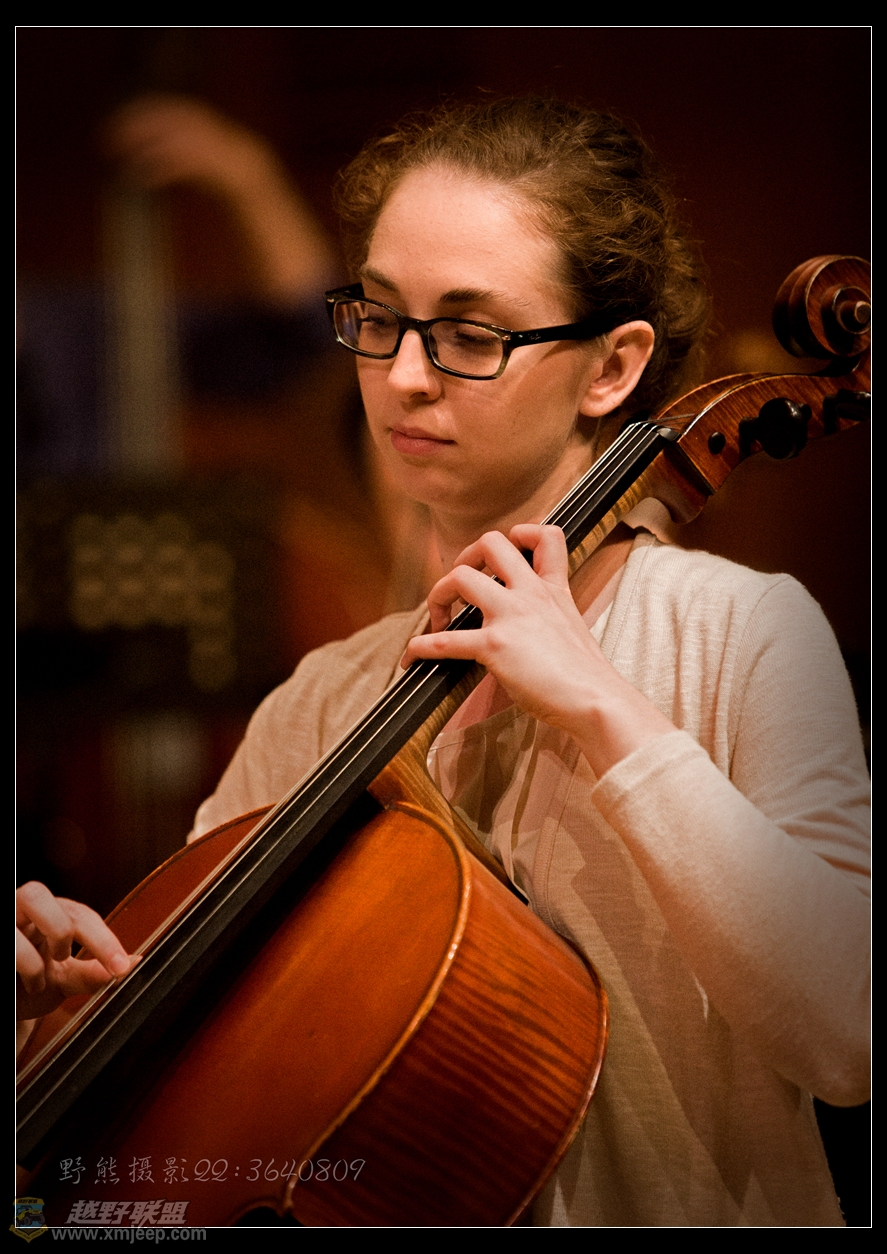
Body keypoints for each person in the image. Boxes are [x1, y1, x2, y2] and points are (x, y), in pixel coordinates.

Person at [19, 97, 869, 1226]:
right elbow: (203, 1110)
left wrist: (606, 711)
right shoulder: (321, 701)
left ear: (611, 367)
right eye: (379, 318)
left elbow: (848, 1034)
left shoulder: (740, 632)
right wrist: (66, 1020)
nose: (404, 375)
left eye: (470, 336)